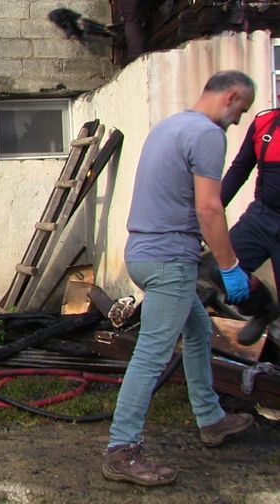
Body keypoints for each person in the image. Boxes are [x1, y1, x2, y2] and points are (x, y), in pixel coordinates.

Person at [102, 71, 257, 487]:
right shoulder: (207, 134)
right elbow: (210, 208)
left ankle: (211, 419)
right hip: (170, 259)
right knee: (152, 353)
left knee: (199, 327)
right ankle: (122, 449)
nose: (239, 121)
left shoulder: (170, 125)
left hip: (144, 252)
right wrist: (229, 265)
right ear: (230, 97)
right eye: (241, 110)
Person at [219, 108, 280, 344]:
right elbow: (240, 169)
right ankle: (263, 308)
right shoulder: (264, 123)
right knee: (219, 266)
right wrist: (208, 212)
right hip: (261, 216)